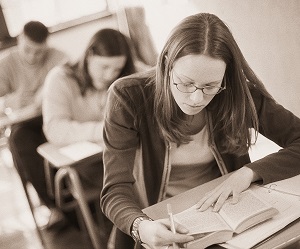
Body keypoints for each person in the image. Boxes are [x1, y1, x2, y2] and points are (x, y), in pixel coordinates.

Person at [100, 13, 300, 249]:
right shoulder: (128, 97)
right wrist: (141, 226)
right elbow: (114, 190)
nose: (196, 98)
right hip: (161, 220)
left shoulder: (237, 94)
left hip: (227, 217)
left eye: (210, 86)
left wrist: (248, 173)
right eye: (185, 83)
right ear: (166, 64)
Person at [42, 28, 139, 245]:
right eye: (104, 66)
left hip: (122, 155)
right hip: (89, 164)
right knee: (126, 185)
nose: (110, 75)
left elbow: (151, 76)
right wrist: (106, 129)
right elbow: (55, 128)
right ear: (89, 56)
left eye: (117, 68)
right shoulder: (60, 78)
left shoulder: (125, 73)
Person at [0, 21, 68, 228]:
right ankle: (54, 204)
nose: (32, 57)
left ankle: (71, 196)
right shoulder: (6, 64)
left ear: (46, 46)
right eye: (27, 50)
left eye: (39, 52)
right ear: (19, 39)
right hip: (24, 125)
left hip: (56, 116)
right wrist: (8, 101)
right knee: (19, 142)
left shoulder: (59, 58)